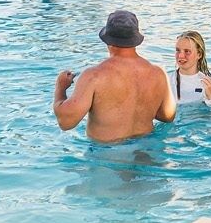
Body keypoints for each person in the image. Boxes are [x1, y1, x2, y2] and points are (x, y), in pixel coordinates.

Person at [52, 10, 176, 142]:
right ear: (135, 40)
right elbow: (167, 116)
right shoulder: (158, 73)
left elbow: (65, 122)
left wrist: (61, 87)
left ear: (107, 40)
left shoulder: (94, 76)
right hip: (147, 151)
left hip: (107, 155)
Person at [171, 31, 211, 107]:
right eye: (178, 50)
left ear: (199, 54)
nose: (180, 56)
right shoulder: (166, 82)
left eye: (187, 51)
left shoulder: (210, 85)